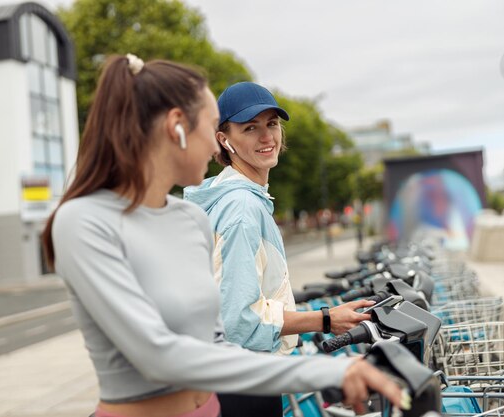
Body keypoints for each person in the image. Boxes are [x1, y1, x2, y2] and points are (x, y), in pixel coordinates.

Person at [41, 55, 406, 417]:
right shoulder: (83, 221)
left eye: (271, 125)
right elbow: (159, 355)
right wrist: (325, 369)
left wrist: (329, 360)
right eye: (212, 127)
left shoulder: (188, 217)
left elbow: (219, 344)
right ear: (177, 127)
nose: (215, 150)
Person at [184, 82, 379, 417]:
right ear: (223, 139)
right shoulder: (242, 208)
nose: (266, 137)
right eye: (250, 128)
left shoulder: (234, 199)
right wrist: (326, 319)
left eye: (272, 124)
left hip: (230, 376)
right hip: (244, 381)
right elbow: (237, 319)